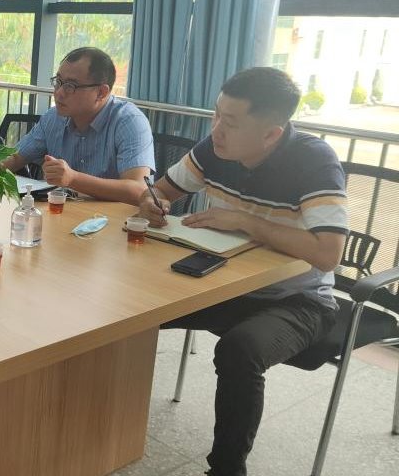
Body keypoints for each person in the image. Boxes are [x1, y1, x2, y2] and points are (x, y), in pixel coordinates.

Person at [138, 67, 348, 476]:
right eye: (216, 114)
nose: (216, 129)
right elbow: (160, 191)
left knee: (240, 350)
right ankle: (103, 424)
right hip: (222, 282)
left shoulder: (313, 161)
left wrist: (246, 222)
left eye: (230, 122)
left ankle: (227, 469)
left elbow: (328, 253)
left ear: (271, 134)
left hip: (299, 300)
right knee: (131, 309)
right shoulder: (213, 149)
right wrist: (152, 205)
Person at [3, 47, 153, 204]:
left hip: (111, 217)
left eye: (70, 86)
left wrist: (73, 178)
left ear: (101, 92)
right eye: (58, 82)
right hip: (62, 213)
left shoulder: (129, 122)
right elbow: (15, 158)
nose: (59, 93)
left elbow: (138, 190)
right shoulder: (53, 118)